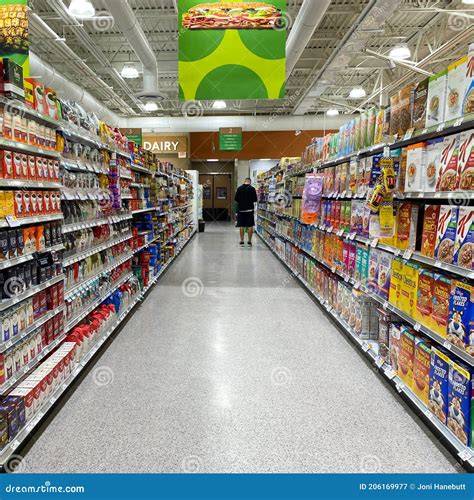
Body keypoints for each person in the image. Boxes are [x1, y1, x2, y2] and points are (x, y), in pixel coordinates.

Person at [235, 178, 258, 246]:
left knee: (241, 226)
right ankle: (249, 241)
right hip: (249, 210)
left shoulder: (239, 188)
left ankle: (242, 241)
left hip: (241, 210)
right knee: (250, 226)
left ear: (244, 181)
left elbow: (236, 199)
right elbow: (255, 199)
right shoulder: (252, 189)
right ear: (250, 182)